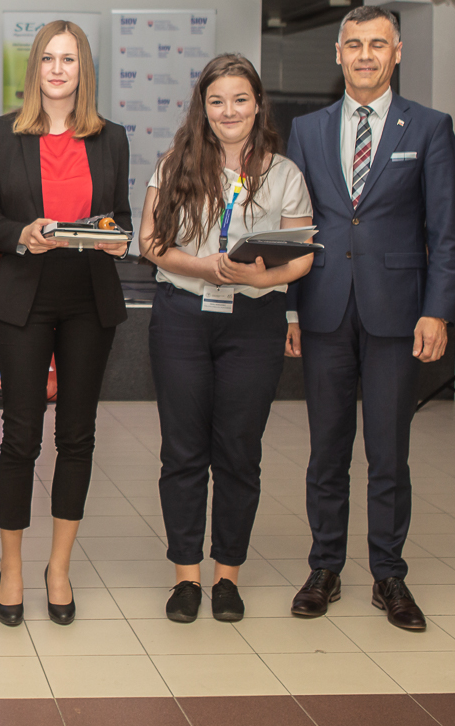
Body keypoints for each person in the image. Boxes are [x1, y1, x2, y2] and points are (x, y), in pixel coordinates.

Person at [285, 5, 455, 632]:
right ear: (338, 53)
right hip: (323, 308)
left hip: (398, 314)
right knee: (326, 451)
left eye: (377, 44)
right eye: (354, 44)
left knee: (388, 453)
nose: (365, 55)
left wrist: (437, 310)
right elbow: (293, 226)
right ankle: (325, 567)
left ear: (397, 52)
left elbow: (446, 231)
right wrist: (289, 307)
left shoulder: (431, 127)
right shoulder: (306, 130)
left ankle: (389, 574)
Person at [139, 54, 313, 623]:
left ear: (257, 104)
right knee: (182, 450)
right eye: (217, 101)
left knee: (239, 452)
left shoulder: (284, 174)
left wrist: (259, 279)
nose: (229, 111)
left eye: (240, 99)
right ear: (203, 108)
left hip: (254, 321)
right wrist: (203, 267)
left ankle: (227, 576)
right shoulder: (174, 165)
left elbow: (302, 256)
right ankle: (186, 577)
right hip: (182, 317)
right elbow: (150, 243)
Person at [0, 19, 130, 627]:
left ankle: (58, 567)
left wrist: (117, 238)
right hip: (25, 299)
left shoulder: (112, 138)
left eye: (69, 59)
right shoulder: (1, 134)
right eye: (48, 59)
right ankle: (11, 566)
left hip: (91, 298)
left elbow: (118, 216)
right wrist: (22, 233)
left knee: (78, 437)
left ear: (83, 68)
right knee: (20, 436)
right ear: (33, 68)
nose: (58, 70)